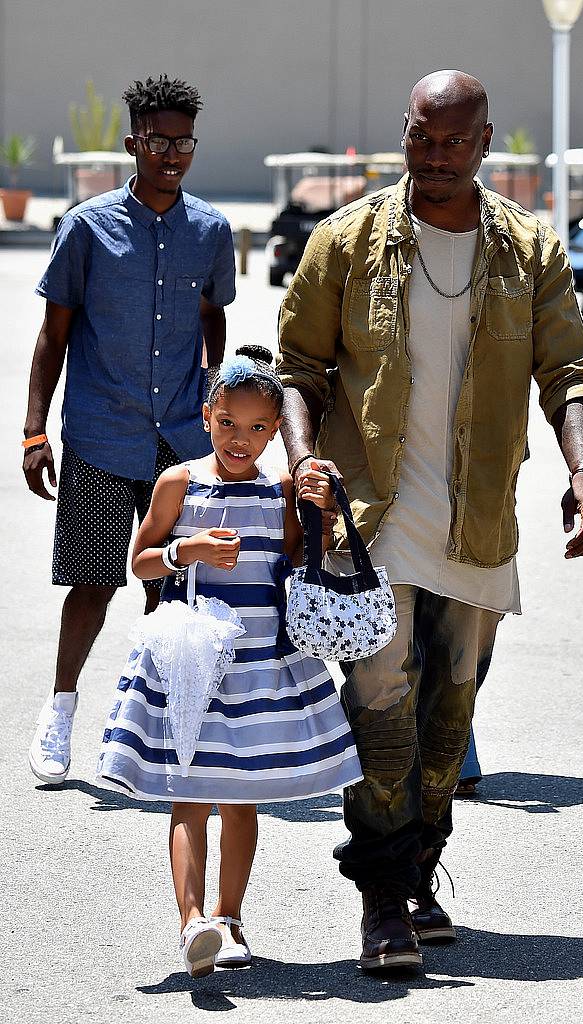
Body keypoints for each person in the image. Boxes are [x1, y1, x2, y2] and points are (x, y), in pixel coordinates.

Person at [278, 70, 583, 972]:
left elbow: (568, 371)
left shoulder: (530, 250)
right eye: (422, 137)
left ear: (486, 141)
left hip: (478, 523)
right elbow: (298, 367)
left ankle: (421, 872)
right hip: (370, 519)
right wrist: (303, 457)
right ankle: (381, 895)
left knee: (446, 725)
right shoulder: (345, 241)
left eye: (454, 141)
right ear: (406, 132)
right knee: (381, 712)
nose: (434, 156)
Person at [97, 347, 362, 977]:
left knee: (242, 799)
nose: (240, 440)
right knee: (188, 795)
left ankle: (232, 917)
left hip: (262, 663)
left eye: (258, 429)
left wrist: (323, 518)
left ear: (275, 431)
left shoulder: (279, 492)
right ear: (208, 414)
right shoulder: (179, 483)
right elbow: (140, 560)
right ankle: (193, 924)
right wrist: (183, 550)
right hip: (194, 663)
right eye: (228, 424)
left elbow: (299, 563)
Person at [25, 75, 236, 786]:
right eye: (158, 140)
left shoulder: (209, 231)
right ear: (133, 144)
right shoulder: (86, 227)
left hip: (178, 439)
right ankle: (59, 716)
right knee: (91, 584)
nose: (172, 153)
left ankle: (157, 726)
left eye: (184, 141)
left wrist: (211, 392)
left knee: (170, 587)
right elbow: (53, 337)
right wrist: (33, 431)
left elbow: (213, 313)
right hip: (99, 433)